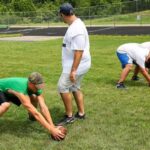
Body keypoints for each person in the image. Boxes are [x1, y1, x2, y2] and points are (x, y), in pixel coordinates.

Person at [0, 72, 65, 140]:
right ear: (30, 84)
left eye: (40, 86)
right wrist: (51, 130)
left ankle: (31, 117)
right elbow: (35, 112)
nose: (39, 89)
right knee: (5, 105)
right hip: (1, 89)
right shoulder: (21, 88)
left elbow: (43, 107)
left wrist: (52, 126)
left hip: (10, 92)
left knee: (34, 97)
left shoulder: (35, 88)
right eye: (37, 87)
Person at [57, 3, 91, 125]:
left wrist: (73, 71)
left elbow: (79, 52)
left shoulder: (76, 29)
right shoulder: (75, 24)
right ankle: (81, 113)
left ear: (62, 14)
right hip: (77, 64)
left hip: (76, 65)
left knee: (62, 86)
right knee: (75, 87)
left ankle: (69, 116)